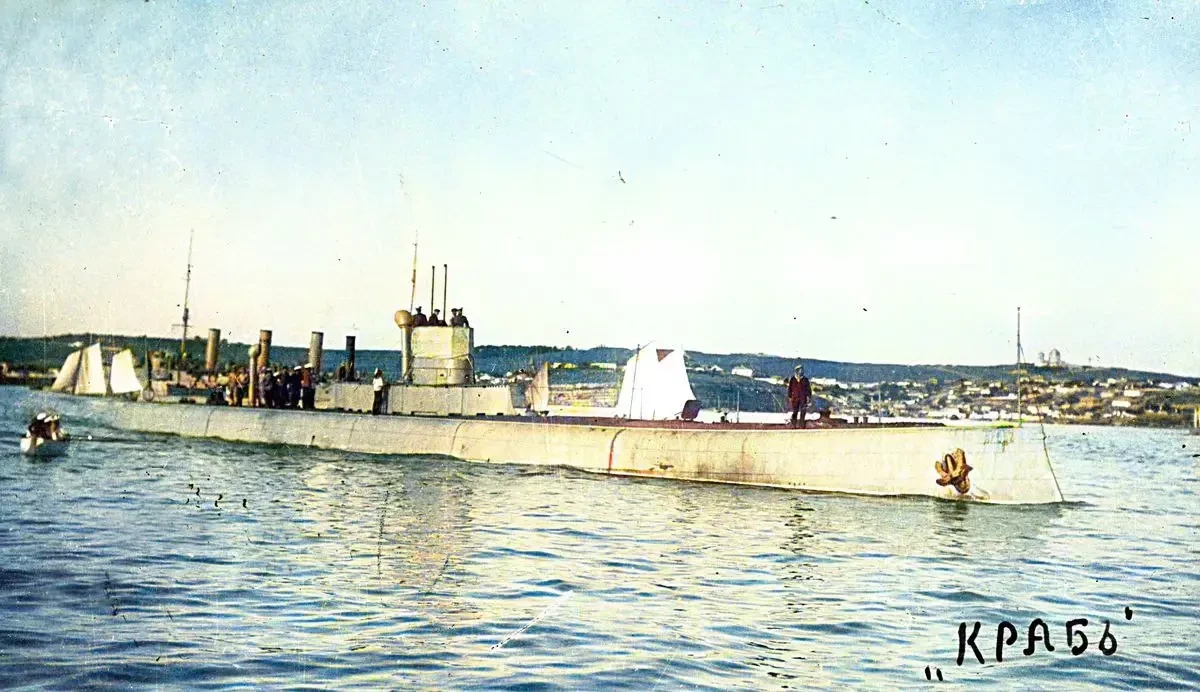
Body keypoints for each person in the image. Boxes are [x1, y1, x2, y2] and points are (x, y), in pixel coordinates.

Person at [785, 364, 812, 428]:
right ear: (797, 371)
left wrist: (809, 397)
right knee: (795, 412)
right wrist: (790, 397)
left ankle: (802, 426)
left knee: (803, 412)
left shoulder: (805, 379)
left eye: (802, 370)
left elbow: (809, 389)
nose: (802, 371)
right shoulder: (792, 379)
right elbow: (790, 389)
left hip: (803, 398)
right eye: (800, 370)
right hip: (795, 398)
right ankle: (793, 425)